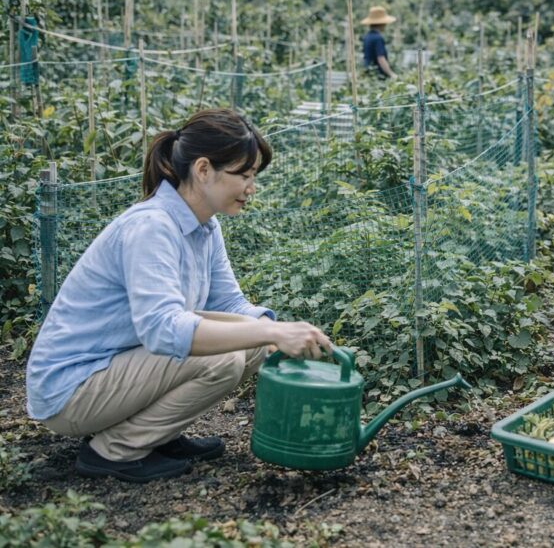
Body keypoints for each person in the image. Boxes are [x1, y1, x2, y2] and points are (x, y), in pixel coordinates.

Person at [26, 109, 333, 483]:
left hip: (116, 367)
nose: (251, 187)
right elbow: (162, 331)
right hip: (71, 389)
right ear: (203, 169)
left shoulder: (205, 227)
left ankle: (160, 435)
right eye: (244, 175)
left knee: (252, 342)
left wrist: (277, 330)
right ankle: (114, 450)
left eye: (254, 176)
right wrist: (271, 333)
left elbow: (229, 305)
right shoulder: (152, 227)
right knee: (224, 360)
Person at [361, 5, 396, 79]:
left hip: (368, 73)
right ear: (382, 24)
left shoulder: (367, 36)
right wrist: (391, 74)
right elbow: (381, 58)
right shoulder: (378, 38)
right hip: (377, 75)